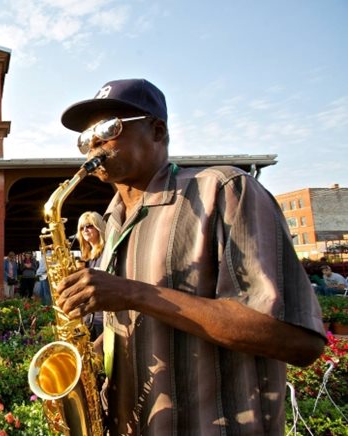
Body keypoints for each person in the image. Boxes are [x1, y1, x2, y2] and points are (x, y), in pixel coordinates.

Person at [54, 78, 325, 434]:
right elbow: (142, 320)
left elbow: (298, 340)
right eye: (85, 138)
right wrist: (85, 353)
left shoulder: (224, 190)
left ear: (157, 129)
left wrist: (135, 293)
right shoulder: (112, 220)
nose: (94, 143)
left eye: (108, 128)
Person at [75, 211, 106, 342]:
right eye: (82, 227)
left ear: (99, 227)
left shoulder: (107, 252)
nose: (85, 230)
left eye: (89, 225)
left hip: (102, 319)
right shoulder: (85, 258)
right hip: (88, 317)